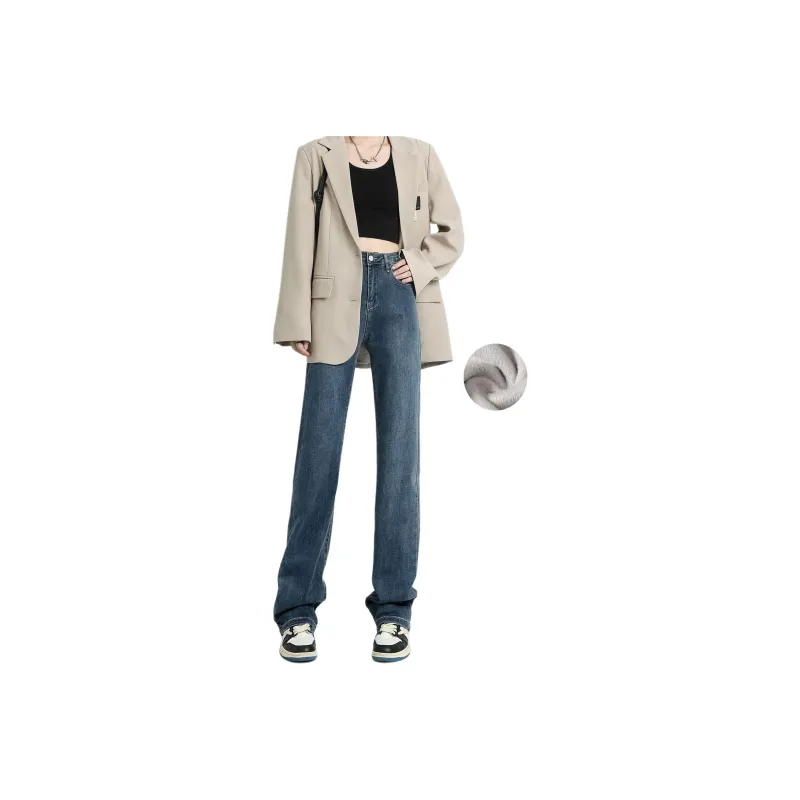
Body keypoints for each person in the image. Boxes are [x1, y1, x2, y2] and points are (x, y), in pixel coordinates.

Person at [272, 135, 464, 662]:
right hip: (332, 299)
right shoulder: (318, 152)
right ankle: (297, 609)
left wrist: (418, 265)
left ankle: (395, 610)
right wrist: (295, 316)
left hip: (401, 299)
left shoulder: (419, 151)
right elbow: (298, 235)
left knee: (401, 459)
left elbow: (452, 229)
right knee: (317, 457)